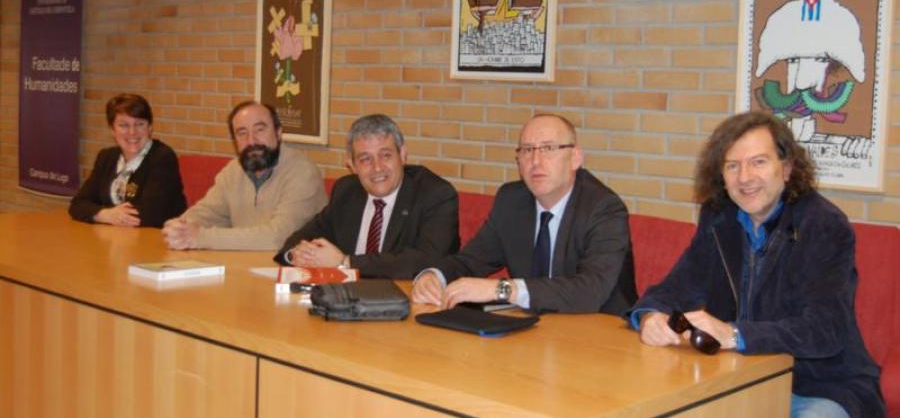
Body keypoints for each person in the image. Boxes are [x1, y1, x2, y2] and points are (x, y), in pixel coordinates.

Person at [628, 111, 885, 418]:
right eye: (732, 166)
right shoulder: (719, 217)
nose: (745, 177)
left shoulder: (824, 225)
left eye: (758, 162)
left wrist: (734, 334)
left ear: (787, 168)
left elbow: (824, 329)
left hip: (819, 386)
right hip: (736, 378)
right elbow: (678, 286)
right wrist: (649, 317)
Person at [412, 114, 637, 314]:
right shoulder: (511, 200)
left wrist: (502, 289)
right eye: (527, 150)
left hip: (599, 329)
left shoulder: (604, 208)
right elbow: (471, 261)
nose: (535, 161)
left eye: (548, 148)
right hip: (533, 327)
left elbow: (589, 291)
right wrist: (434, 276)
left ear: (575, 158)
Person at [274, 114, 460, 279]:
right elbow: (304, 236)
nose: (377, 167)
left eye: (386, 155)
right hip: (347, 296)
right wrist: (297, 255)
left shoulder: (435, 195)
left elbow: (426, 261)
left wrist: (345, 262)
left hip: (407, 299)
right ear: (352, 165)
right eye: (365, 159)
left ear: (403, 155)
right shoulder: (347, 191)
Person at [162, 101, 327, 251]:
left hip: (291, 269)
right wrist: (180, 227)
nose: (251, 141)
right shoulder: (234, 171)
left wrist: (201, 237)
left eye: (260, 130)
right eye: (242, 133)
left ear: (279, 132)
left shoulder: (303, 172)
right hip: (244, 264)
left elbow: (278, 237)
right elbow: (208, 212)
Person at [69, 93, 186, 228]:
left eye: (139, 124)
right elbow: (78, 204)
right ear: (112, 130)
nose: (132, 132)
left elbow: (151, 214)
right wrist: (105, 214)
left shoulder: (162, 157)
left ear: (150, 127)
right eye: (123, 125)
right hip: (114, 235)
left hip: (156, 236)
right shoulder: (106, 157)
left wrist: (104, 213)